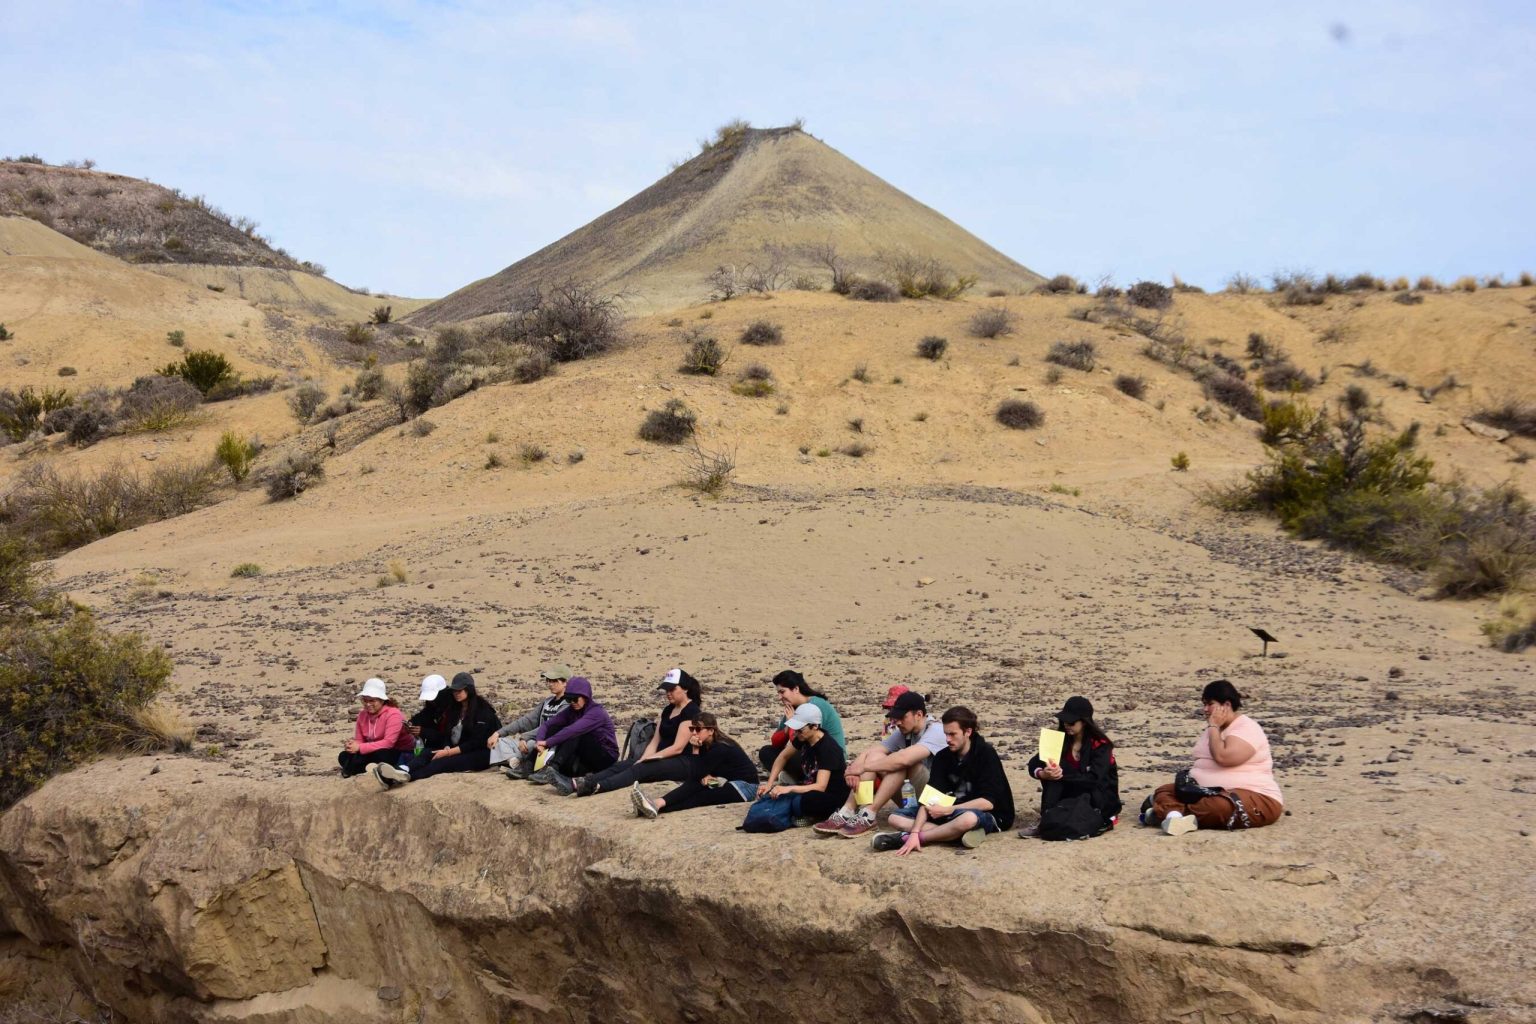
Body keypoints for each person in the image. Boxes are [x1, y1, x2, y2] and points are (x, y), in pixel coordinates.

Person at [1143, 680, 1284, 835]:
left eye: (1210, 704)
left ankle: (1166, 812)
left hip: (1255, 796)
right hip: (1207, 791)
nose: (1205, 709)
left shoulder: (1247, 728)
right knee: (1165, 790)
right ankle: (1174, 817)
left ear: (1227, 705)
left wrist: (1213, 727)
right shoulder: (1213, 729)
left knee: (1220, 806)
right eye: (1204, 704)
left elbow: (1223, 757)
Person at [871, 706, 1015, 852]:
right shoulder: (942, 757)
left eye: (953, 734)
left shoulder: (986, 754)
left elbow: (987, 803)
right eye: (946, 734)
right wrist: (915, 831)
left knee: (968, 819)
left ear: (968, 732)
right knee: (894, 818)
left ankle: (917, 838)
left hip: (988, 814)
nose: (947, 739)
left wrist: (948, 810)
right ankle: (953, 834)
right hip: (951, 810)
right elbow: (929, 799)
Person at [813, 690, 945, 839]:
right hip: (915, 796)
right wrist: (853, 770)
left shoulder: (936, 730)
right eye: (896, 717)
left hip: (939, 800)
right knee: (875, 757)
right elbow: (872, 751)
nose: (897, 722)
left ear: (919, 715)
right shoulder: (906, 731)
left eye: (902, 717)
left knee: (899, 761)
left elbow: (904, 759)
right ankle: (849, 810)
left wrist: (864, 767)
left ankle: (870, 813)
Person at [574, 668, 702, 796]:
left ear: (685, 689)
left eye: (672, 689)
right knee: (626, 764)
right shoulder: (668, 710)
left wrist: (651, 759)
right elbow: (655, 741)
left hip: (683, 762)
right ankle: (581, 782)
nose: (668, 693)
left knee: (642, 768)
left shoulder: (691, 711)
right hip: (663, 757)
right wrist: (644, 758)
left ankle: (598, 787)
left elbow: (677, 748)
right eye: (666, 689)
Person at [372, 673, 501, 787]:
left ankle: (404, 778)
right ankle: (401, 770)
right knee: (427, 753)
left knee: (440, 764)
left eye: (460, 690)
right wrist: (446, 747)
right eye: (454, 690)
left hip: (482, 753)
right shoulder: (456, 709)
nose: (456, 693)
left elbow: (476, 742)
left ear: (469, 690)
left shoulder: (483, 711)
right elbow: (448, 734)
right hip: (458, 748)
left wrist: (449, 753)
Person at [1018, 695, 1121, 838]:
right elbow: (1034, 763)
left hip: (1096, 796)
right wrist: (1043, 774)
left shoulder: (1100, 745)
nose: (1066, 724)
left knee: (1058, 774)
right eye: (1064, 720)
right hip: (1069, 792)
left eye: (1071, 722)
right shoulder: (1058, 739)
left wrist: (1062, 775)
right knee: (1053, 774)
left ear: (1084, 722)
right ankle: (1045, 819)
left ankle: (1051, 822)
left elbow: (1094, 779)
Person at [632, 712, 759, 818]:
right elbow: (700, 771)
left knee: (700, 797)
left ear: (710, 731)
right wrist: (706, 775)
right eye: (691, 729)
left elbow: (695, 774)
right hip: (727, 782)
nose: (693, 733)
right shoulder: (707, 744)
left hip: (745, 787)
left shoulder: (720, 747)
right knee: (698, 787)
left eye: (698, 729)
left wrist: (695, 750)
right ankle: (653, 806)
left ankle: (657, 805)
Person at [756, 701, 849, 825]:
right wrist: (769, 784)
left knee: (804, 800)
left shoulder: (828, 748)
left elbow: (821, 786)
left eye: (800, 730)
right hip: (811, 784)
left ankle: (814, 815)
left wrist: (788, 789)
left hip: (829, 794)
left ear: (815, 726)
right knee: (777, 795)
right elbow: (782, 757)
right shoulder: (804, 737)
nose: (796, 733)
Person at [526, 677, 618, 794]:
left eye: (575, 699)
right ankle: (529, 765)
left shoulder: (596, 712)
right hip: (585, 754)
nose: (573, 703)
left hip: (606, 756)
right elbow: (547, 725)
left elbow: (573, 730)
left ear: (585, 696)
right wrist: (539, 741)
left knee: (575, 733)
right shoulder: (571, 710)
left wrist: (547, 742)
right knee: (556, 728)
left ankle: (553, 767)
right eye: (569, 699)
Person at [758, 670, 847, 777]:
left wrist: (791, 725)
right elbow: (776, 743)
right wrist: (787, 726)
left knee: (792, 755)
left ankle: (796, 778)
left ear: (796, 689)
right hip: (810, 754)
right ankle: (795, 777)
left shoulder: (815, 706)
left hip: (829, 758)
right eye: (778, 693)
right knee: (766, 752)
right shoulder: (792, 707)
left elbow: (805, 741)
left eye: (782, 692)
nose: (779, 697)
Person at [492, 664, 572, 779]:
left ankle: (519, 764)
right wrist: (498, 733)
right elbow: (526, 721)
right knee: (500, 742)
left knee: (530, 745)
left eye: (554, 681)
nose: (550, 684)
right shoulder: (547, 702)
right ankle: (515, 762)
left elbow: (551, 727)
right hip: (533, 740)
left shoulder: (568, 704)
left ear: (565, 682)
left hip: (548, 743)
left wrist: (525, 736)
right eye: (548, 680)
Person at [337, 678, 415, 777]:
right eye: (365, 701)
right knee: (343, 756)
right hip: (373, 750)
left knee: (381, 755)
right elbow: (360, 740)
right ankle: (369, 768)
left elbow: (389, 743)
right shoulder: (362, 715)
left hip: (397, 751)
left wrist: (360, 747)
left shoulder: (393, 714)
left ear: (382, 700)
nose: (368, 704)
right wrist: (353, 746)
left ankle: (356, 769)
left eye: (372, 701)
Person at [408, 673, 454, 754]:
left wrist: (424, 732)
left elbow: (448, 737)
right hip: (432, 746)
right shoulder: (433, 706)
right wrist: (411, 724)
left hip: (448, 748)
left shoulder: (453, 708)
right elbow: (423, 716)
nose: (430, 701)